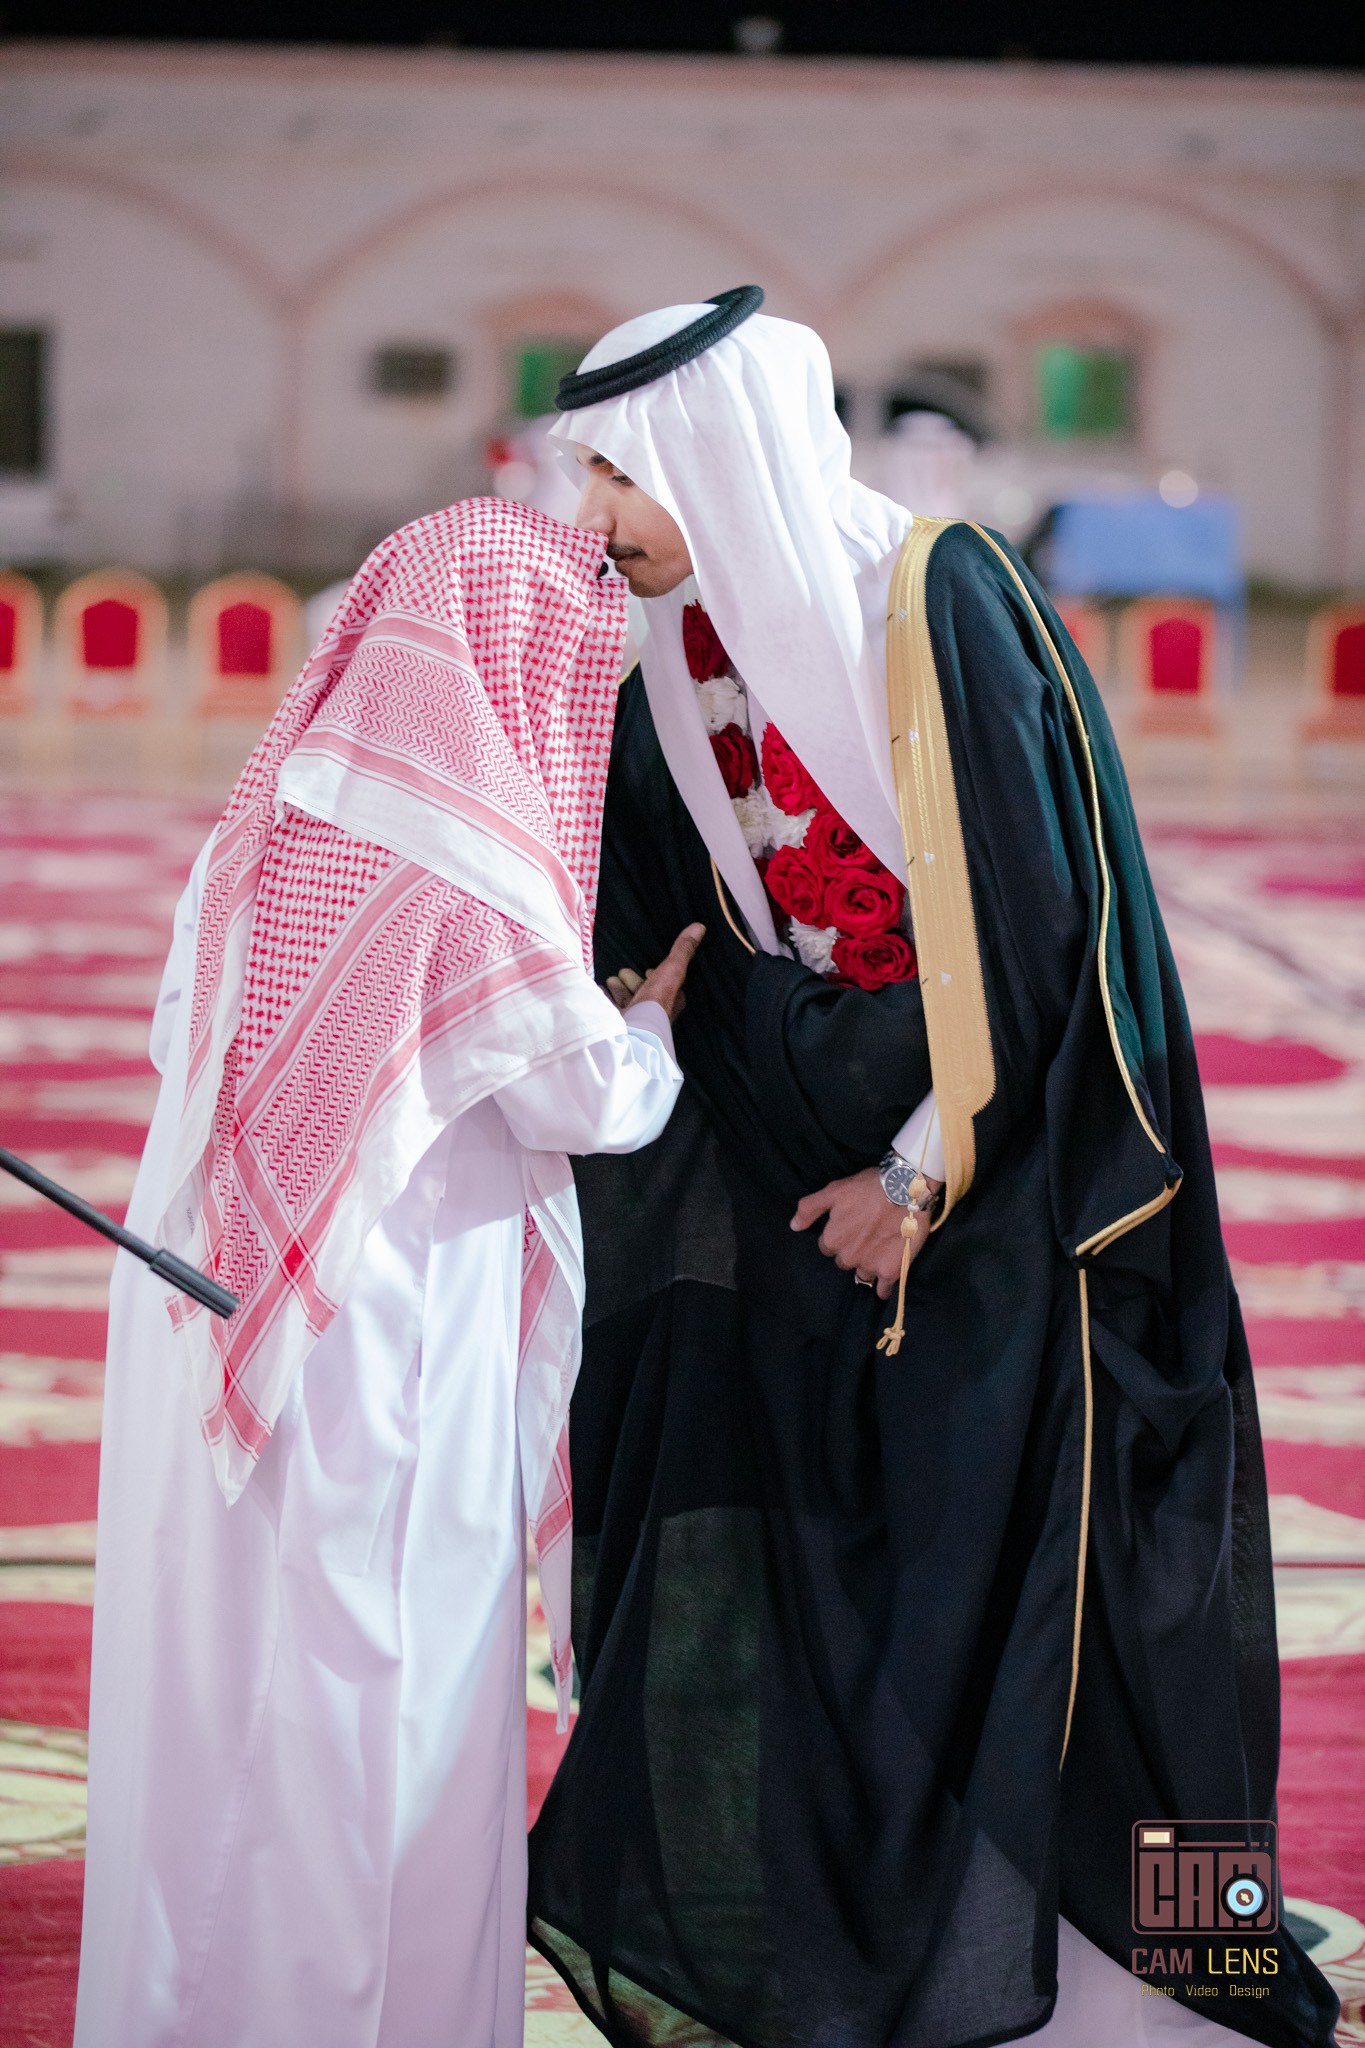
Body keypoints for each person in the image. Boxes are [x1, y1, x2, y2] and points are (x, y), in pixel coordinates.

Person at [524, 294, 1338, 2048]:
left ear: (714, 459)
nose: (592, 518)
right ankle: (881, 1984)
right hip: (803, 1191)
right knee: (843, 1594)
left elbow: (1045, 921)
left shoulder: (935, 596)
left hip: (1018, 1195)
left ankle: (1188, 1991)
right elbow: (672, 922)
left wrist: (915, 1177)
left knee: (1096, 1613)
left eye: (616, 475)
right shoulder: (665, 655)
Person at [75, 497, 700, 2048]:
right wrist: (654, 1020)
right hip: (383, 1345)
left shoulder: (284, 804)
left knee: (223, 1684)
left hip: (225, 1305)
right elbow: (589, 1101)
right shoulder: (460, 860)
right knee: (369, 1693)